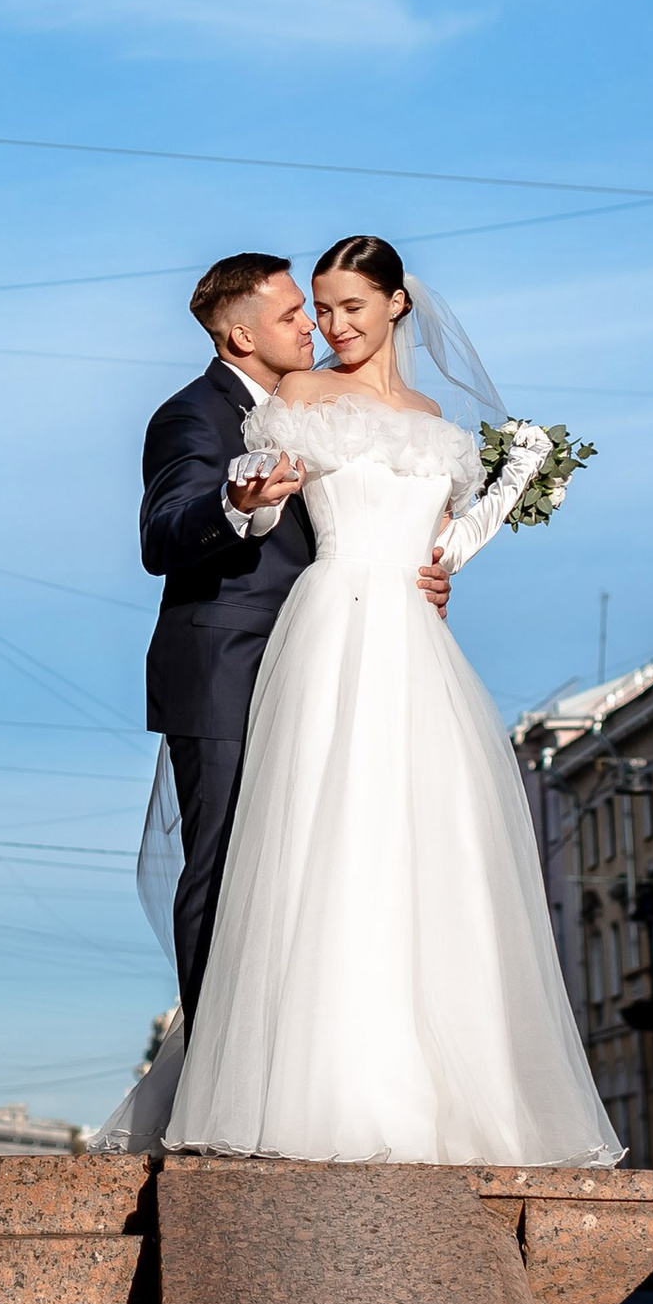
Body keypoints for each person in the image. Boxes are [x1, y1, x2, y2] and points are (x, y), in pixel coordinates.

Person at [148, 234, 619, 1166]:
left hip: (411, 640)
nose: (326, 326)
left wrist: (442, 570)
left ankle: (439, 1085)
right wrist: (251, 497)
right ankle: (275, 1081)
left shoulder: (437, 416)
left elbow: (436, 540)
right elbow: (217, 508)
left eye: (345, 308)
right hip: (320, 633)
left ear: (397, 304)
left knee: (425, 851)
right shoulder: (292, 400)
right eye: (312, 311)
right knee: (307, 852)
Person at [135, 250, 453, 1030]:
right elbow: (162, 535)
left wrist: (422, 570)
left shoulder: (325, 409)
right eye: (291, 316)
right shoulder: (192, 415)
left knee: (323, 859)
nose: (314, 326)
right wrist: (234, 502)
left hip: (335, 660)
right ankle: (214, 1064)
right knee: (225, 862)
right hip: (228, 667)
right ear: (240, 337)